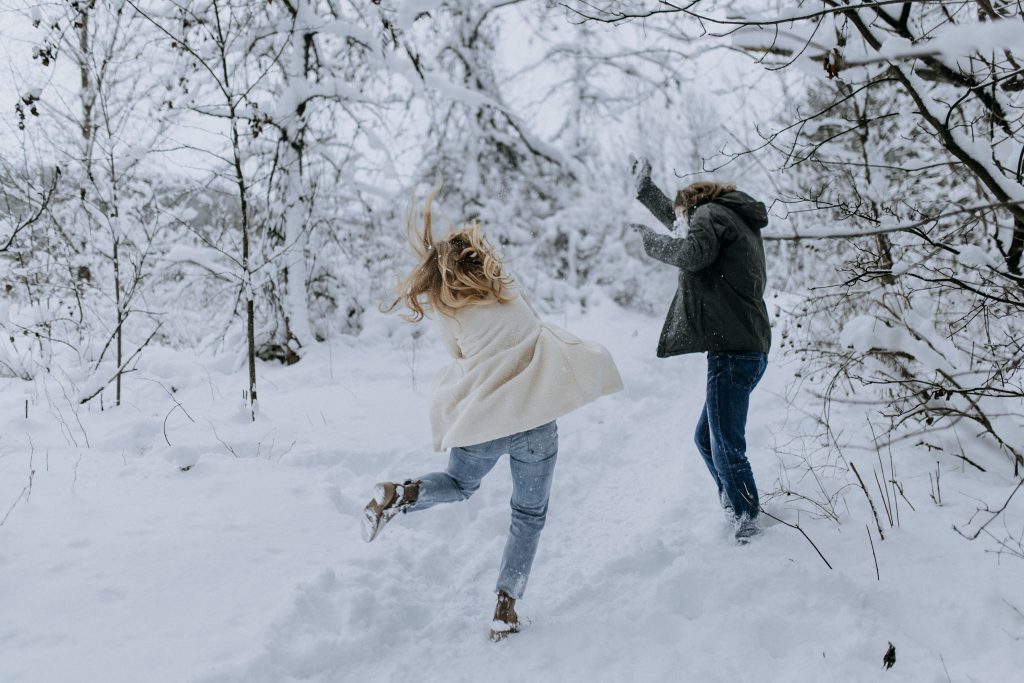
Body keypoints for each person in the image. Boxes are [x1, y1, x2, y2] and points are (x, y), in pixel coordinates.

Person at [362, 190, 623, 641]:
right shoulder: (508, 289)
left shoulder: (448, 310)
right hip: (536, 421)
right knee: (528, 514)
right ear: (477, 259)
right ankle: (506, 606)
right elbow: (534, 329)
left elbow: (460, 355)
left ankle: (402, 495)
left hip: (485, 420)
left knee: (461, 484)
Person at [630, 159, 771, 544]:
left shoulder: (709, 214)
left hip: (731, 350)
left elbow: (693, 252)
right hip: (748, 345)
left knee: (724, 442)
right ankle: (736, 506)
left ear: (691, 205)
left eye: (680, 216)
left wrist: (648, 241)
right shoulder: (729, 215)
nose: (680, 225)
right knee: (708, 439)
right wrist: (647, 192)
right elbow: (688, 232)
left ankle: (747, 522)